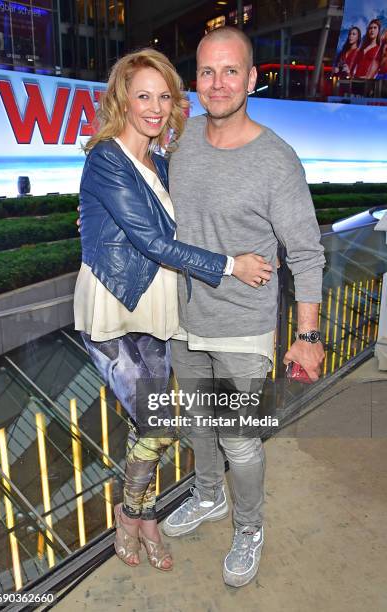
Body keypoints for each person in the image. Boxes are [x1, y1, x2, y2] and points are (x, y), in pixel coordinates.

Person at [74, 48, 272, 572]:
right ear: (122, 98)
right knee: (158, 426)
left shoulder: (158, 159)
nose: (156, 107)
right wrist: (231, 265)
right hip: (116, 307)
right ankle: (136, 517)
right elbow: (154, 241)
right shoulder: (106, 158)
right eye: (144, 95)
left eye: (164, 96)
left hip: (158, 306)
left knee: (153, 426)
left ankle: (141, 519)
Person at [162, 26, 325, 588]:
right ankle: (208, 497)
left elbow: (306, 253)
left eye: (231, 71)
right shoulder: (179, 146)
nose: (218, 83)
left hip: (243, 325)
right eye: (207, 72)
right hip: (183, 317)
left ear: (253, 79)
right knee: (200, 425)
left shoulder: (276, 159)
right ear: (195, 83)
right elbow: (154, 216)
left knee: (238, 437)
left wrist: (308, 336)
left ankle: (249, 526)